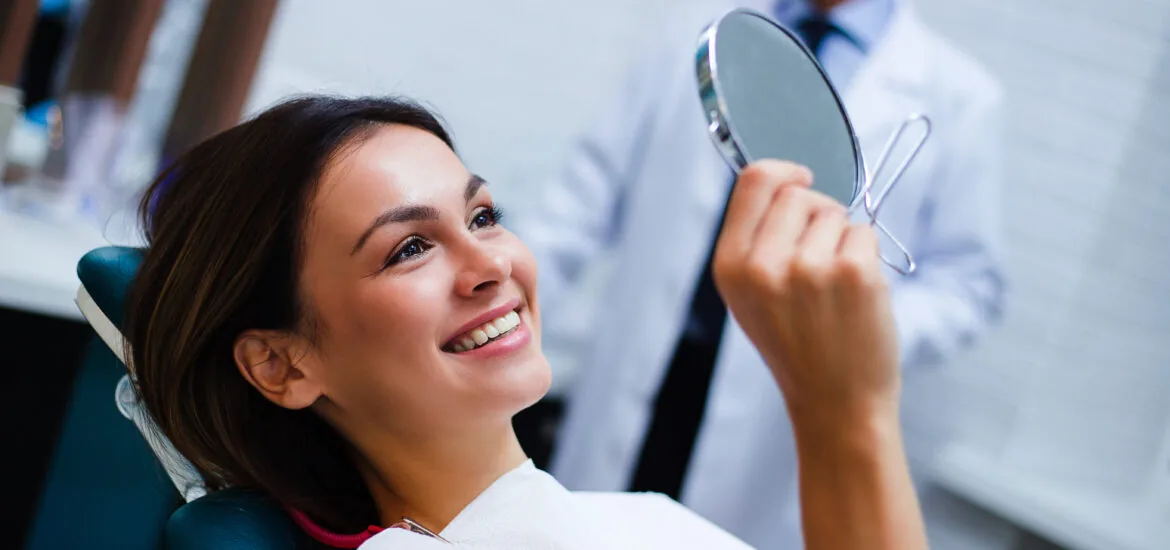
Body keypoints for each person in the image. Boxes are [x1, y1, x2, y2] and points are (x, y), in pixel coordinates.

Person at [125, 96, 925, 549]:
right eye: (409, 247)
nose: (490, 265)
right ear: (282, 365)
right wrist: (843, 412)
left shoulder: (640, 520)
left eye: (482, 215)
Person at [512, 1, 1004, 546]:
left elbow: (969, 284)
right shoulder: (692, 28)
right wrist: (497, 311)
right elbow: (582, 197)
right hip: (645, 366)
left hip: (776, 405)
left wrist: (856, 330)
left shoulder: (959, 97)